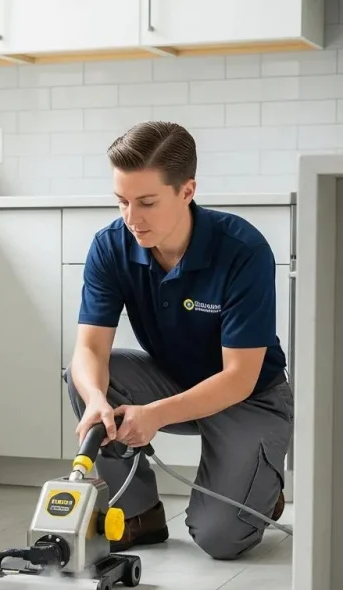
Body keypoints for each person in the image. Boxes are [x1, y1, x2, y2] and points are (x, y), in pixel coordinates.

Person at [65, 120, 293, 561]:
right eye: (122, 202)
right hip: (171, 381)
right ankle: (137, 514)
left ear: (187, 191)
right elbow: (89, 349)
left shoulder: (241, 249)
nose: (132, 218)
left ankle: (260, 494)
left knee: (220, 539)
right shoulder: (111, 246)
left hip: (250, 399)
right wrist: (95, 398)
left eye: (147, 202)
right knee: (85, 377)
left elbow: (240, 378)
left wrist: (154, 415)